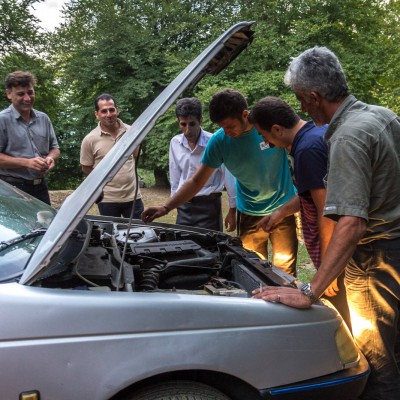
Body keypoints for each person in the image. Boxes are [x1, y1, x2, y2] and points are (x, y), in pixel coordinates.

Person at [254, 47, 400, 400]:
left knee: (375, 361)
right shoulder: (383, 116)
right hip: (395, 250)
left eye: (302, 101)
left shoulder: (348, 136)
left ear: (313, 97)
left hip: (372, 263)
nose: (301, 109)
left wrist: (311, 290)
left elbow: (350, 223)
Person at [142, 89, 298, 276]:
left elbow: (297, 151)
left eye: (230, 126)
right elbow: (196, 181)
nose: (227, 132)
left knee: (285, 269)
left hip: (283, 209)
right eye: (222, 127)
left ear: (245, 115)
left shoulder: (267, 129)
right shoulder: (219, 141)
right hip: (249, 212)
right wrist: (166, 207)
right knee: (254, 268)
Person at [249, 96, 351, 330]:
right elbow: (311, 194)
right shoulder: (315, 133)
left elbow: (327, 211)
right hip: (339, 253)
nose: (265, 141)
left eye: (263, 135)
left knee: (345, 316)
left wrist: (327, 270)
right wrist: (280, 213)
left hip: (340, 256)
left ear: (276, 129)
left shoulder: (306, 149)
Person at [170, 97, 236, 231]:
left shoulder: (215, 142)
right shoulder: (175, 143)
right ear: (178, 122)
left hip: (209, 206)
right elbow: (175, 177)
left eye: (192, 124)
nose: (188, 130)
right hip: (184, 206)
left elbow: (229, 177)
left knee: (210, 249)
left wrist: (232, 210)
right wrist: (173, 203)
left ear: (200, 120)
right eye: (183, 124)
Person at [0, 71, 60, 205]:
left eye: (30, 92)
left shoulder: (43, 118)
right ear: (9, 94)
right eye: (21, 94)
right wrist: (26, 162)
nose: (27, 98)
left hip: (40, 187)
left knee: (47, 225)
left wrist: (50, 158)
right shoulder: (2, 120)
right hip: (11, 189)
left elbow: (55, 148)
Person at [80, 93, 144, 218]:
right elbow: (86, 168)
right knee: (111, 236)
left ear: (117, 111)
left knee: (139, 234)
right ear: (97, 114)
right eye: (104, 111)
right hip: (107, 199)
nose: (108, 114)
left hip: (133, 197)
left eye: (111, 110)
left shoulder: (132, 132)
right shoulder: (90, 139)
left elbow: (135, 158)